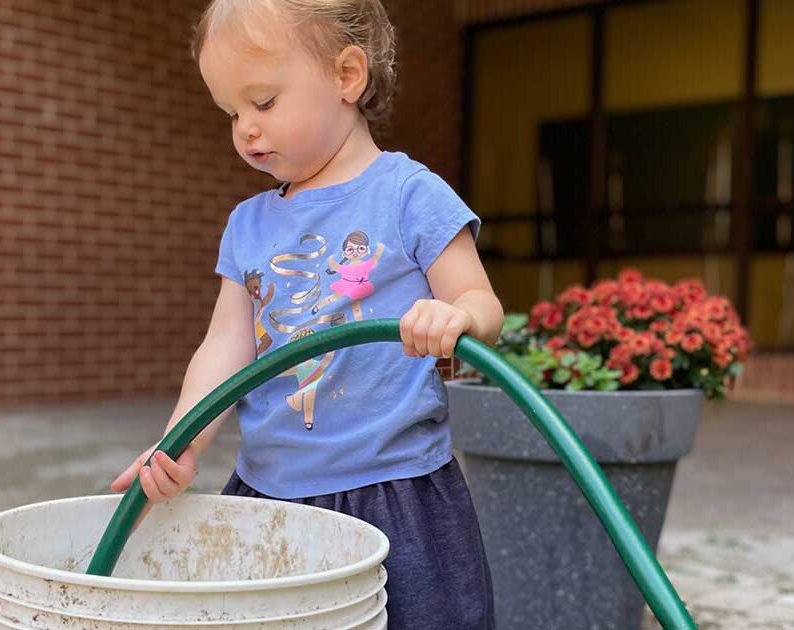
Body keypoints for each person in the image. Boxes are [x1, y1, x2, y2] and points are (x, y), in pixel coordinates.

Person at [110, 1, 503, 627]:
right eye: (232, 112)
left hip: (394, 491)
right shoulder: (248, 224)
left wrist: (452, 319)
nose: (245, 129)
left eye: (263, 103)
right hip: (269, 491)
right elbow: (224, 346)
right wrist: (181, 440)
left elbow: (481, 304)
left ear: (348, 76)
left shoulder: (409, 195)